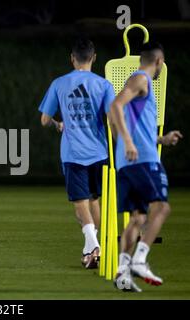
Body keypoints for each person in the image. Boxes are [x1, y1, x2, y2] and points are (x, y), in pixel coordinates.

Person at [110, 42, 182, 292]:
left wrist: (161, 139)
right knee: (162, 208)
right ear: (159, 61)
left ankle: (122, 272)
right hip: (143, 161)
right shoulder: (142, 79)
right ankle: (139, 261)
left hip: (128, 162)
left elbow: (121, 119)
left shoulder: (139, 86)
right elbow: (114, 106)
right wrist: (128, 142)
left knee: (138, 218)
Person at [39, 38, 115, 268]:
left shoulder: (59, 83)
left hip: (73, 153)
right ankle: (93, 249)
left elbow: (44, 120)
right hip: (99, 152)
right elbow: (113, 120)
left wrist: (58, 124)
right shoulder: (103, 85)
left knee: (80, 202)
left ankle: (93, 245)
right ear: (94, 58)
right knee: (94, 199)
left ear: (72, 59)